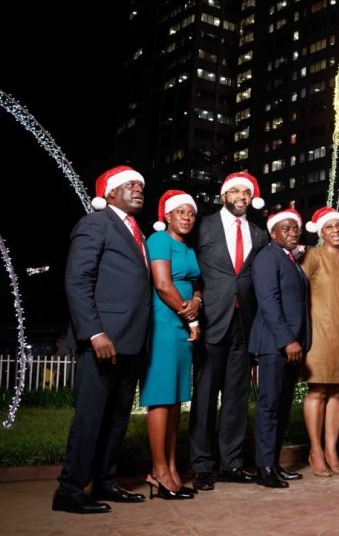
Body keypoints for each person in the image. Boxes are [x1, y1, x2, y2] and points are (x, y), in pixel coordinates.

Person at [53, 166, 151, 514]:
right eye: (130, 185)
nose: (138, 190)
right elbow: (77, 280)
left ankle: (106, 482)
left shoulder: (136, 231)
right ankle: (70, 490)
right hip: (103, 339)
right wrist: (94, 332)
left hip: (132, 341)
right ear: (110, 193)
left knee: (117, 417)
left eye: (140, 186)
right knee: (91, 417)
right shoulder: (95, 223)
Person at [191, 173, 267, 491]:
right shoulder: (203, 226)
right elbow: (190, 269)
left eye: (246, 192)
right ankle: (202, 466)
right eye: (234, 191)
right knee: (205, 397)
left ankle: (231, 463)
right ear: (224, 196)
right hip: (211, 319)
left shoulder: (259, 234)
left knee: (236, 397)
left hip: (244, 323)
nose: (240, 196)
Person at [140, 190, 201, 499]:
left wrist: (198, 300)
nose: (187, 217)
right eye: (180, 212)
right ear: (167, 215)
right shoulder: (159, 240)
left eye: (191, 213)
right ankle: (158, 470)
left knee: (176, 399)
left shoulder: (188, 247)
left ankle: (172, 468)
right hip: (164, 323)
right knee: (161, 397)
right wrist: (191, 318)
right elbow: (163, 285)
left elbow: (195, 284)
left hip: (183, 325)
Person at [250, 208, 310, 489]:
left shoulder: (289, 259)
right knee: (269, 406)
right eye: (285, 228)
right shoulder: (267, 258)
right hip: (275, 344)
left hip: (291, 345)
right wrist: (287, 340)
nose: (292, 232)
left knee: (283, 406)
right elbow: (268, 302)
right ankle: (264, 468)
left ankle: (274, 463)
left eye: (295, 228)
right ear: (273, 233)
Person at [300, 207, 339, 476]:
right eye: (329, 227)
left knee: (338, 392)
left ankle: (332, 450)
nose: (336, 230)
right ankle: (315, 451)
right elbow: (297, 289)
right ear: (321, 232)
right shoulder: (312, 256)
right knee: (318, 391)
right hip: (319, 332)